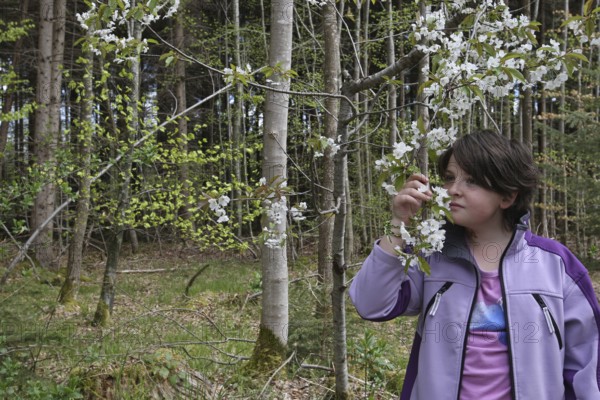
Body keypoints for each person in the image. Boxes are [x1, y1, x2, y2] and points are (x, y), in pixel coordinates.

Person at [349, 130, 600, 399]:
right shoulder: (430, 257)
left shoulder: (555, 265)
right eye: (449, 178)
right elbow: (371, 304)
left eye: (471, 181)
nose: (453, 189)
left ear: (507, 196)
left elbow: (587, 358)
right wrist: (398, 226)